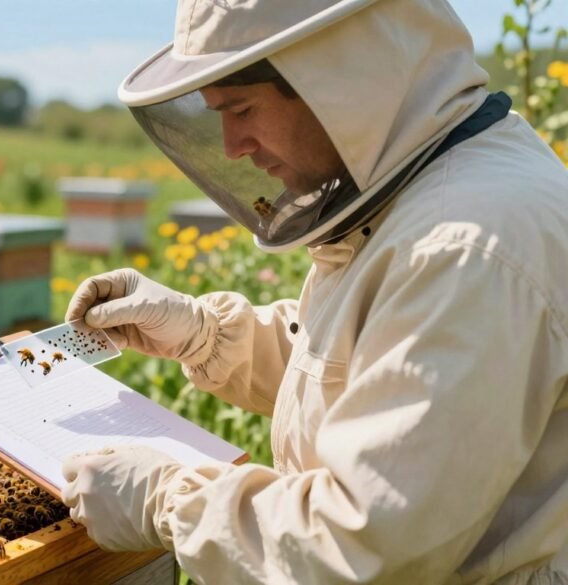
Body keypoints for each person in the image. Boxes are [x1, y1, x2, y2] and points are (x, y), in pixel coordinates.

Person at [59, 0, 568, 583]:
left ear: (342, 81)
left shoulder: (464, 248)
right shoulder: (430, 196)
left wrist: (168, 500)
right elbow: (378, 375)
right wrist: (205, 336)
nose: (231, 146)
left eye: (243, 108)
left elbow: (364, 547)